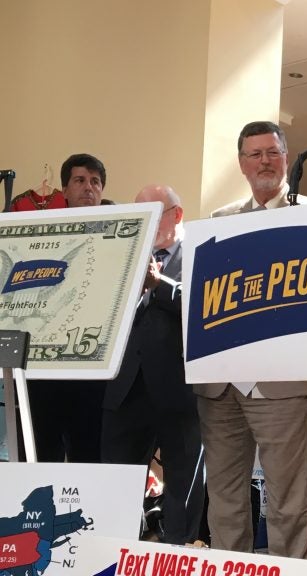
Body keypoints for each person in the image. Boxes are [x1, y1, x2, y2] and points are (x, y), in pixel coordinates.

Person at [194, 121, 307, 558]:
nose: (264, 161)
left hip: (283, 387)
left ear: (286, 156)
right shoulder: (218, 222)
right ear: (242, 164)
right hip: (220, 386)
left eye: (272, 152)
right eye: (254, 154)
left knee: (289, 503)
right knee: (224, 501)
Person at [101, 184, 204, 545]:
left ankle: (177, 556)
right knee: (115, 486)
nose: (143, 225)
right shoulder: (123, 257)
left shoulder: (200, 252)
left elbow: (204, 308)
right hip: (125, 389)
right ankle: (112, 556)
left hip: (179, 390)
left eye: (152, 215)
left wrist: (159, 284)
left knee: (182, 489)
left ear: (176, 214)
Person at [26, 153, 108, 462]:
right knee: (40, 453)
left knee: (89, 456)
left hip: (94, 371)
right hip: (44, 369)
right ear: (64, 190)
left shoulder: (122, 240)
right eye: (80, 180)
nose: (88, 187)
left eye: (95, 181)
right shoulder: (41, 235)